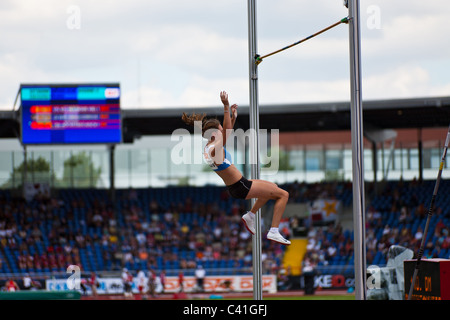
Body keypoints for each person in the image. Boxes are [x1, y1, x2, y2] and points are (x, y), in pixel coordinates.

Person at [181, 91, 290, 245]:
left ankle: (250, 216)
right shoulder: (214, 150)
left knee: (272, 188)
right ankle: (273, 231)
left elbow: (227, 130)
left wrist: (233, 117)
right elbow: (227, 132)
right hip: (241, 186)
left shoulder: (209, 147)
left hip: (238, 185)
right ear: (214, 133)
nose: (222, 131)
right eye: (219, 130)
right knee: (283, 195)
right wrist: (226, 106)